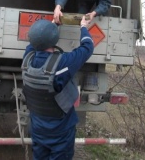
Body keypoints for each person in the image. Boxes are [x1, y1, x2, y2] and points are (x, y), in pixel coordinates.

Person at [21, 17, 94, 160]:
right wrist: (83, 27)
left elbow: (33, 44)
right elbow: (87, 48)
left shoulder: (27, 60)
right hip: (60, 133)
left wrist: (52, 26)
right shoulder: (61, 63)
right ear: (54, 39)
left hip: (38, 129)